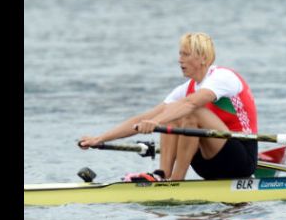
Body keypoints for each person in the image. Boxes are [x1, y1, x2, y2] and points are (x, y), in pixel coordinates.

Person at [78, 32, 258, 181]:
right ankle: (162, 175)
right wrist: (100, 138)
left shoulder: (223, 77)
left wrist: (155, 123)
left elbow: (190, 104)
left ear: (203, 58)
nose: (180, 60)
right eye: (180, 54)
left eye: (186, 55)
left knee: (189, 111)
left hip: (241, 159)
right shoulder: (185, 89)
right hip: (209, 165)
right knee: (173, 111)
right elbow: (141, 119)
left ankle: (176, 181)